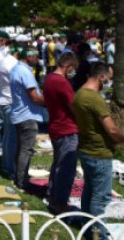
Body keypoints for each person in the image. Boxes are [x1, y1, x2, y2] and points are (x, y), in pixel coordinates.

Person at [73, 62, 124, 239]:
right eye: (108, 79)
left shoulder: (79, 94)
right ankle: (98, 235)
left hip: (86, 149)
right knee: (100, 198)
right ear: (101, 77)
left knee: (90, 191)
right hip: (99, 152)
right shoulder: (95, 98)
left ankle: (88, 228)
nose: (108, 83)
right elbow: (111, 129)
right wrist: (122, 139)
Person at [43, 52, 79, 213]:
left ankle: (52, 195)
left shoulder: (49, 78)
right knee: (66, 168)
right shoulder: (62, 83)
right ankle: (60, 202)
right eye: (74, 69)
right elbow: (73, 106)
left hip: (56, 126)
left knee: (58, 164)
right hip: (67, 128)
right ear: (69, 66)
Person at [9, 48, 45, 191]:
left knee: (21, 148)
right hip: (27, 114)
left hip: (20, 113)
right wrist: (51, 102)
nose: (37, 59)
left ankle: (18, 177)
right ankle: (22, 181)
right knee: (26, 150)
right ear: (29, 57)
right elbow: (34, 97)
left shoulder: (16, 69)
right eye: (36, 56)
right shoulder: (25, 72)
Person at [0, 43, 19, 179]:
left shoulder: (3, 61)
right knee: (12, 137)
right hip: (10, 100)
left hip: (4, 98)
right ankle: (9, 166)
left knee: (7, 135)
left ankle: (6, 163)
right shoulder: (12, 63)